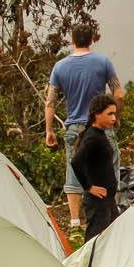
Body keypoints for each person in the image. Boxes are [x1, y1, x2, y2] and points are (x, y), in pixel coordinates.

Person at [45, 24, 122, 227]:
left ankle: (75, 223)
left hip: (74, 128)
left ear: (72, 40)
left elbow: (50, 101)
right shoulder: (103, 62)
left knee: (73, 171)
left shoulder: (60, 67)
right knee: (110, 170)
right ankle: (111, 220)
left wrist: (49, 130)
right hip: (101, 126)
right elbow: (118, 92)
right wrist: (115, 115)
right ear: (92, 40)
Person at [69, 95, 120, 241]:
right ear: (96, 115)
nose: (114, 118)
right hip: (98, 202)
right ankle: (86, 265)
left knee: (112, 239)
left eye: (114, 114)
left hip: (107, 200)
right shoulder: (92, 137)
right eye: (109, 114)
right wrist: (89, 187)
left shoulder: (100, 135)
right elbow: (76, 162)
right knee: (94, 242)